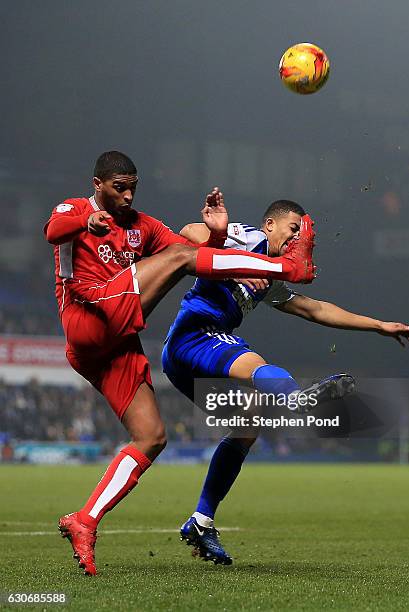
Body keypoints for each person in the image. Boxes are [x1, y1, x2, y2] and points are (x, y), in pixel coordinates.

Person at [44, 151, 316, 576]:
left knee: (152, 437)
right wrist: (86, 222)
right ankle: (286, 268)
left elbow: (194, 256)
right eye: (119, 187)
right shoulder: (76, 208)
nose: (128, 194)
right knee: (177, 260)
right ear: (97, 183)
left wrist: (216, 237)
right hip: (87, 316)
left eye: (133, 186)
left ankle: (84, 520)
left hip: (114, 346)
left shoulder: (142, 226)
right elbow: (54, 229)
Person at [162, 199, 409, 565]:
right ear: (269, 225)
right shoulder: (248, 239)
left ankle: (202, 521)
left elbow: (314, 309)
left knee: (247, 426)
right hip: (196, 335)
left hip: (186, 358)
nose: (298, 237)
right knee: (254, 363)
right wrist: (235, 265)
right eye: (293, 229)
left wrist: (379, 326)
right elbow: (191, 231)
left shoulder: (272, 275)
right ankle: (298, 399)